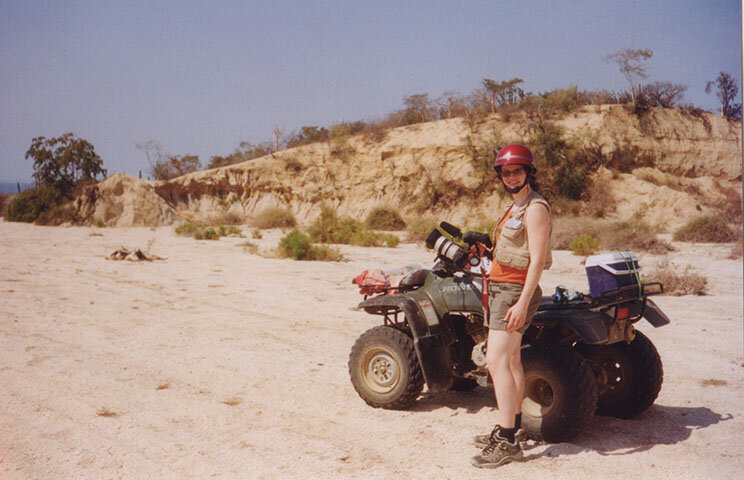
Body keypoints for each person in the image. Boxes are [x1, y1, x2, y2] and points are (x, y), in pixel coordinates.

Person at [468, 143, 552, 469]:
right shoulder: (515, 206)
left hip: (515, 291)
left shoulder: (535, 208)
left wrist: (522, 301)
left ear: (528, 172)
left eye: (517, 171)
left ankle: (505, 441)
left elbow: (537, 262)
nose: (512, 176)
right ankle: (514, 430)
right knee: (512, 361)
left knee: (496, 361)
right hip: (503, 285)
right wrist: (487, 250)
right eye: (506, 172)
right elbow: (513, 251)